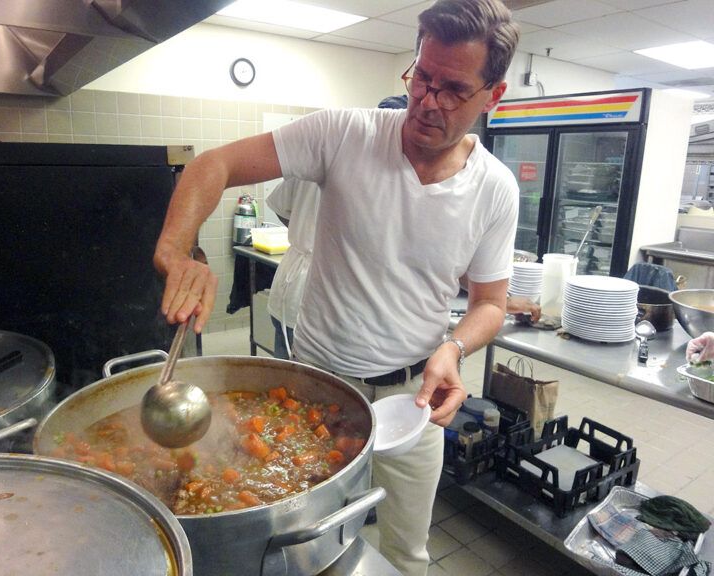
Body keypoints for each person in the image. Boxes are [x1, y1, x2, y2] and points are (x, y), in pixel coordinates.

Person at [153, 1, 520, 573]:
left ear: (492, 96)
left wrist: (454, 348)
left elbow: (491, 303)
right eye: (422, 77)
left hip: (414, 399)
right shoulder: (344, 133)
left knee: (407, 551)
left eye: (453, 89)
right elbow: (214, 165)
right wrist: (177, 250)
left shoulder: (495, 189)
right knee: (305, 548)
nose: (427, 101)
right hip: (318, 390)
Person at [266, 177, 320, 359]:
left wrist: (301, 229)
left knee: (286, 376)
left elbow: (279, 205)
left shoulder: (308, 161)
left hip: (292, 285)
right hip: (306, 289)